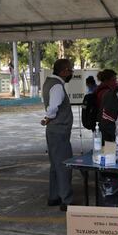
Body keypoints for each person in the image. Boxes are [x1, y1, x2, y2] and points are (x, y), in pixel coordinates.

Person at [41, 59, 74, 211]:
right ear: (64, 71)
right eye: (70, 70)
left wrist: (49, 118)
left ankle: (54, 196)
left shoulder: (49, 82)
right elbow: (53, 107)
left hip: (54, 130)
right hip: (59, 130)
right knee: (64, 165)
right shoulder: (58, 87)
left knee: (55, 165)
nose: (71, 73)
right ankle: (66, 200)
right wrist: (49, 117)